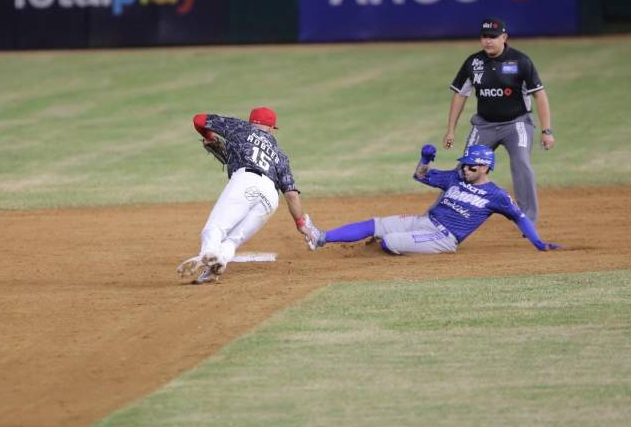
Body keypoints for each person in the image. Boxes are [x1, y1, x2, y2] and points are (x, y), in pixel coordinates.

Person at [304, 144, 560, 255]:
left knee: (389, 241)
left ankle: (395, 246)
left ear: (485, 167)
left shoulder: (497, 196)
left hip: (443, 238)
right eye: (464, 164)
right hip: (424, 221)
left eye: (471, 166)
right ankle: (321, 237)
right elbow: (420, 175)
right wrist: (425, 159)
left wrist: (538, 242)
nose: (465, 168)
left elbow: (520, 217)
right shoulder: (456, 177)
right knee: (375, 224)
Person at [177, 106, 319, 284]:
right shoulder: (280, 155)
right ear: (271, 128)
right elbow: (291, 194)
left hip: (246, 181)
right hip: (270, 198)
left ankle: (208, 254)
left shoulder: (239, 127)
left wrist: (210, 137)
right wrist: (300, 223)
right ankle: (214, 268)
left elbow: (199, 120)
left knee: (214, 228)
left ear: (251, 121)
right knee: (232, 241)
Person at [443, 17, 554, 223]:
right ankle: (445, 215)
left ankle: (527, 219)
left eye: (493, 37)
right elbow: (460, 95)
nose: (488, 41)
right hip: (484, 125)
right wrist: (451, 130)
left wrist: (546, 131)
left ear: (504, 37)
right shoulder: (473, 63)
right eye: (484, 36)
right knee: (466, 167)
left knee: (521, 162)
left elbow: (540, 95)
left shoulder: (521, 61)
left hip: (517, 123)